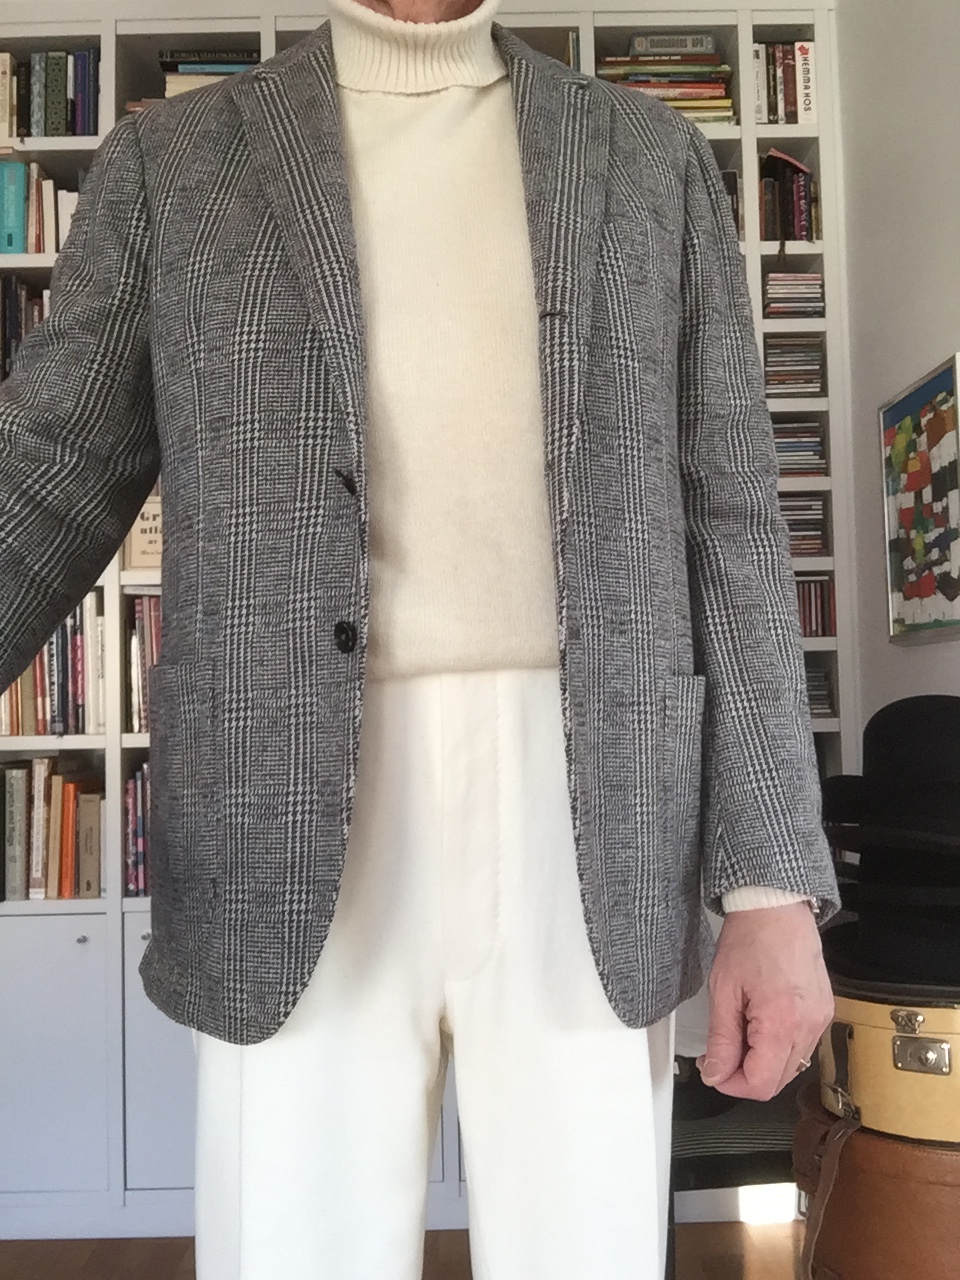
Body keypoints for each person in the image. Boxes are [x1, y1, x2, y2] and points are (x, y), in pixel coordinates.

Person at [0, 0, 840, 1274]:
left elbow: (732, 515)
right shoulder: (173, 163)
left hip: (600, 804)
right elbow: (51, 468)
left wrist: (771, 884)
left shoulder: (649, 158)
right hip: (279, 795)